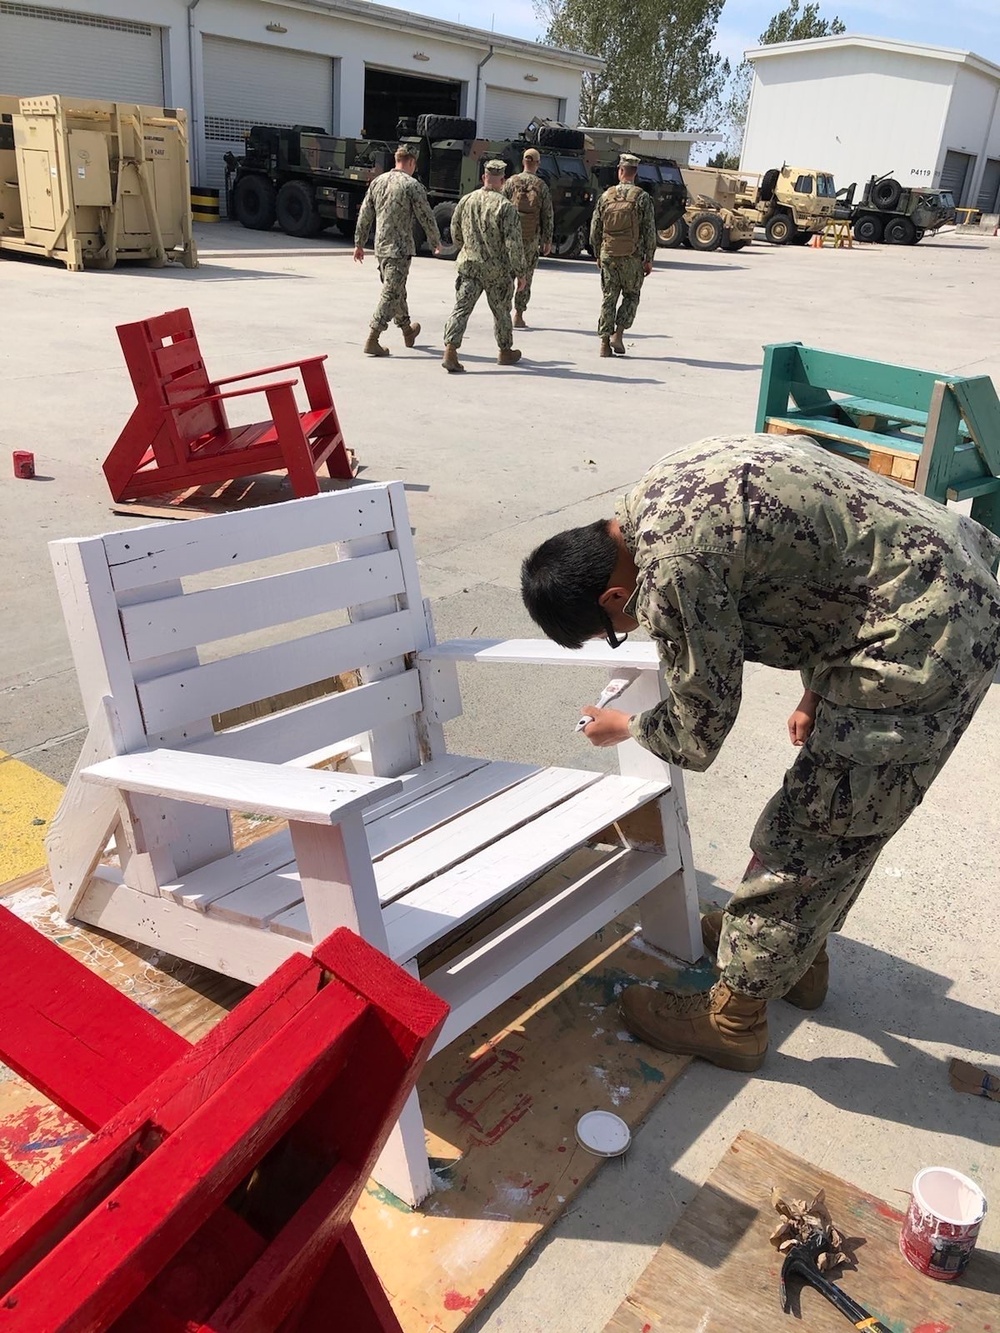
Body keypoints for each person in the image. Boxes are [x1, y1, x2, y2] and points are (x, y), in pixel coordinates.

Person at [520, 433, 1000, 1072]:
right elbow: (824, 560)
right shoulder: (664, 484)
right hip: (942, 581)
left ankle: (733, 1018)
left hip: (923, 640)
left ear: (612, 598)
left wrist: (627, 726)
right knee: (846, 820)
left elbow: (701, 725)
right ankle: (797, 960)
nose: (629, 629)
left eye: (615, 631)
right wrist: (816, 692)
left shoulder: (669, 573)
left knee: (810, 833)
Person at [353, 145, 441, 357]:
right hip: (399, 250)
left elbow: (365, 214)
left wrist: (359, 243)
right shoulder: (412, 185)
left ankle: (407, 330)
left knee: (396, 289)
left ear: (396, 160)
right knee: (391, 292)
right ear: (411, 162)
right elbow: (426, 215)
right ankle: (373, 338)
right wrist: (435, 240)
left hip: (381, 247)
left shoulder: (378, 182)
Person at [442, 160, 527, 373]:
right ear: (503, 181)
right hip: (496, 270)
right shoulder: (505, 207)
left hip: (469, 266)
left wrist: (467, 249)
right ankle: (505, 351)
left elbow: (455, 232)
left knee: (461, 309)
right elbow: (513, 244)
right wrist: (521, 273)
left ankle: (450, 350)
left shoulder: (466, 200)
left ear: (484, 178)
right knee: (501, 312)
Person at [589, 153, 656, 358]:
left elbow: (595, 229)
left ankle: (603, 343)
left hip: (608, 254)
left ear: (620, 171)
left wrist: (597, 253)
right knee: (631, 295)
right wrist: (649, 258)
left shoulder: (606, 196)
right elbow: (649, 231)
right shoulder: (642, 198)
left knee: (609, 297)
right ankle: (618, 334)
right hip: (632, 256)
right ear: (635, 173)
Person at [502, 147, 553, 329]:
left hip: (510, 238)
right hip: (531, 238)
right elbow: (547, 214)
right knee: (526, 276)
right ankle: (519, 314)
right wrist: (547, 240)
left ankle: (504, 312)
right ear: (537, 164)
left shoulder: (510, 182)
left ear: (523, 162)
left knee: (508, 276)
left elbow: (499, 208)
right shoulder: (541, 186)